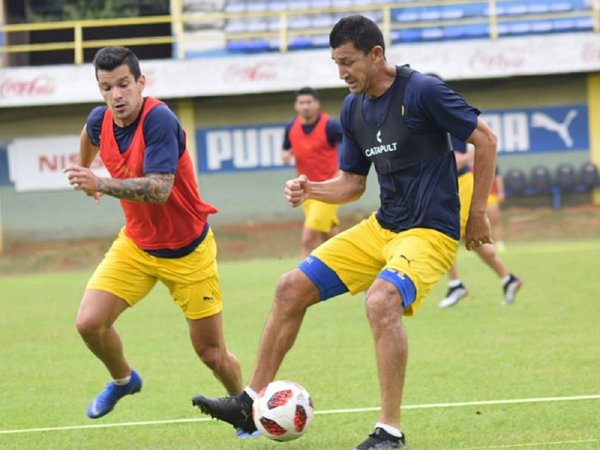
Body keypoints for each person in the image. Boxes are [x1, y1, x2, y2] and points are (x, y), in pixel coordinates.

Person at [191, 15, 498, 450]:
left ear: (376, 55)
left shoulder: (422, 91)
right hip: (382, 226)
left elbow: (485, 139)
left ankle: (389, 432)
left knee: (381, 300)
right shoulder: (353, 107)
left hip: (429, 231)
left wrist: (478, 212)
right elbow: (352, 183)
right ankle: (250, 401)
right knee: (289, 286)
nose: (341, 73)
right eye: (336, 63)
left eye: (348, 62)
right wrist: (311, 188)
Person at [64, 46, 245, 428]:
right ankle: (123, 380)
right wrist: (84, 170)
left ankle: (244, 409)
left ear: (141, 82)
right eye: (107, 87)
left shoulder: (158, 119)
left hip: (188, 252)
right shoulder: (101, 120)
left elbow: (159, 189)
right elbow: (89, 132)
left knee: (212, 354)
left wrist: (100, 181)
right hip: (136, 245)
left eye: (124, 85)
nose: (116, 95)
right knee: (88, 323)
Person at [438, 136, 522, 309]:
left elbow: (458, 159)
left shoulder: (444, 116)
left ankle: (455, 285)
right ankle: (508, 279)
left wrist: (471, 155)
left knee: (443, 233)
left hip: (459, 184)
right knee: (473, 240)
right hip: (447, 184)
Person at [281, 86, 344, 257]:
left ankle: (301, 282)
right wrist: (286, 155)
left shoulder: (330, 126)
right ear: (296, 106)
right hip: (306, 191)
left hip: (328, 189)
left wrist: (343, 169)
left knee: (308, 239)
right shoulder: (291, 127)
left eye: (309, 102)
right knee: (329, 237)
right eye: (302, 103)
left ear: (317, 104)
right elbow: (285, 150)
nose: (305, 106)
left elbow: (351, 143)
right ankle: (348, 267)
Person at [488, 169, 506, 251]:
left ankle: (499, 242)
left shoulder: (488, 159)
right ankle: (486, 242)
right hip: (472, 194)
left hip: (491, 194)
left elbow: (498, 177)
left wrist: (501, 192)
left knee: (495, 219)